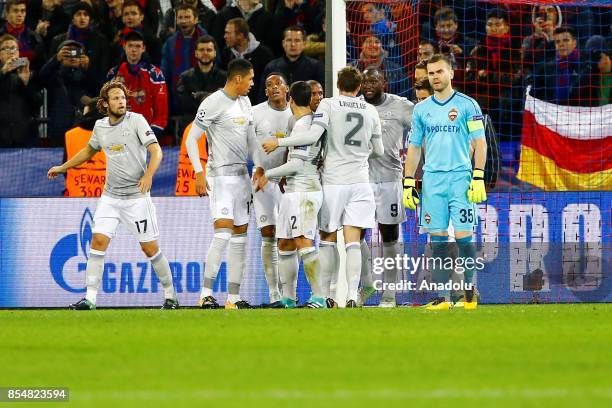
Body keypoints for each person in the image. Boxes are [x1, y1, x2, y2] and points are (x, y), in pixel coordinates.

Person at [47, 81, 179, 310]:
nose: (121, 102)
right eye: (116, 98)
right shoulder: (100, 126)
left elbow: (156, 151)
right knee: (97, 242)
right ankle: (90, 299)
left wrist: (148, 175)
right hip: (110, 197)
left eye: (123, 98)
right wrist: (63, 167)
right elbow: (88, 151)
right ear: (105, 104)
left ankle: (171, 296)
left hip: (136, 197)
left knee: (150, 248)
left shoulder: (136, 120)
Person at [262, 66, 383, 308]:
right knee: (353, 241)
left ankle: (325, 296)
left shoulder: (329, 105)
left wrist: (279, 141)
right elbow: (378, 151)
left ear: (338, 85)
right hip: (361, 181)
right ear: (359, 87)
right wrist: (359, 154)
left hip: (334, 181)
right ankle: (351, 296)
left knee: (327, 239)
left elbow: (313, 135)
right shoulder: (370, 110)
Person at [402, 54, 487, 311]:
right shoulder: (421, 110)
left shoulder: (467, 105)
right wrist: (408, 181)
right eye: (431, 73)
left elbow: (480, 143)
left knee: (463, 239)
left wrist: (478, 175)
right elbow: (414, 148)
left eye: (440, 72)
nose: (435, 77)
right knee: (437, 241)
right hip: (432, 181)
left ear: (451, 73)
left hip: (460, 178)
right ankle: (442, 297)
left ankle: (470, 290)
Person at [185, 58, 263, 310]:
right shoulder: (213, 102)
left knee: (240, 239)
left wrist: (259, 166)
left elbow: (251, 140)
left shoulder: (245, 102)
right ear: (237, 78)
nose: (253, 83)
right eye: (250, 78)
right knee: (222, 234)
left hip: (241, 177)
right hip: (219, 177)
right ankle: (205, 294)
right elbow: (191, 139)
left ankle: (233, 298)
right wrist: (198, 172)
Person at [257, 91, 326, 308]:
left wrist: (267, 175)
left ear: (291, 101)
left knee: (303, 241)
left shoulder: (303, 126)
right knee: (285, 243)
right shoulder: (305, 124)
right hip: (293, 191)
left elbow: (296, 165)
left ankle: (320, 296)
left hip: (304, 192)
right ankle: (288, 298)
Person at [359, 68, 413, 308]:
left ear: (385, 82)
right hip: (359, 180)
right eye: (365, 81)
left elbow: (421, 130)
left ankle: (389, 293)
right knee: (356, 234)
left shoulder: (401, 106)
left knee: (389, 236)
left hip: (390, 180)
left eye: (374, 80)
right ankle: (366, 282)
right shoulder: (355, 105)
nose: (368, 85)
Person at [251, 73, 292, 307]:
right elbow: (249, 142)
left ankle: (289, 293)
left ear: (287, 88)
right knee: (268, 234)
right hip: (262, 179)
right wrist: (257, 167)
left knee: (289, 237)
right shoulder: (256, 113)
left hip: (289, 181)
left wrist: (287, 173)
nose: (274, 87)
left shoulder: (295, 113)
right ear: (265, 92)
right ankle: (274, 294)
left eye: (279, 83)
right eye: (269, 85)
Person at [106, 30, 168, 137]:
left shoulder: (155, 74)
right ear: (124, 47)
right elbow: (107, 107)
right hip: (119, 134)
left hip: (147, 134)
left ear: (143, 48)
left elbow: (161, 111)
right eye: (130, 46)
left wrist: (148, 135)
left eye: (138, 46)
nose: (134, 50)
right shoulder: (113, 74)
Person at [259, 26, 325, 102]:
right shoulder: (271, 67)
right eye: (289, 40)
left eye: (297, 40)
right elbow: (262, 96)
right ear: (283, 43)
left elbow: (322, 95)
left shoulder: (316, 67)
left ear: (304, 44)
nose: (293, 44)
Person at [0, 33, 42, 148]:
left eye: (14, 48)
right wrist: (3, 72)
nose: (11, 51)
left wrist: (26, 83)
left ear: (18, 52)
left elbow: (38, 103)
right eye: (5, 48)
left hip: (25, 138)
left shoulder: (28, 74)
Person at [221, 17, 273, 104]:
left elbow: (265, 85)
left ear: (240, 35)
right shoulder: (226, 53)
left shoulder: (264, 54)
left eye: (228, 33)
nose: (225, 36)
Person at [177, 35, 227, 118]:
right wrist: (211, 98)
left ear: (215, 53)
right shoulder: (185, 77)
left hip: (217, 124)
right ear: (196, 53)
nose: (205, 53)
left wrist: (199, 96)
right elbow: (184, 104)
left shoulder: (224, 78)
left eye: (209, 50)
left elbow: (226, 104)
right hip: (191, 123)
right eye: (201, 50)